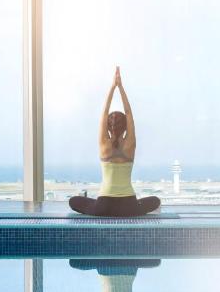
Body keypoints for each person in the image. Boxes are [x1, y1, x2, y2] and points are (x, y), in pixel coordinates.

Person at [69, 67, 162, 217]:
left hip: (103, 206)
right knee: (155, 200)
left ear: (107, 126)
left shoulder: (104, 145)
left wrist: (113, 87)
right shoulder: (129, 145)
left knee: (74, 201)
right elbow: (129, 113)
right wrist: (121, 87)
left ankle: (96, 205)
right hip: (129, 206)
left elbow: (104, 113)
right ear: (125, 126)